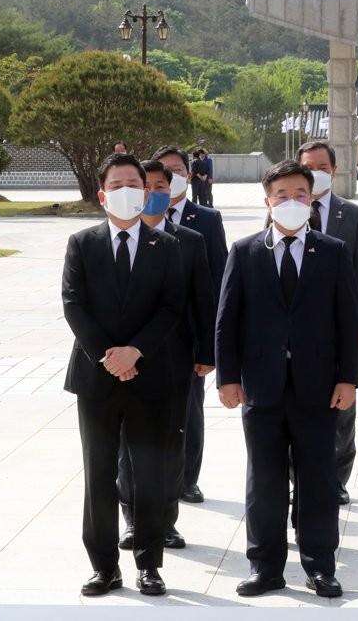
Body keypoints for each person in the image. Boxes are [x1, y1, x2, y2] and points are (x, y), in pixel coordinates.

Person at [216, 160, 358, 598]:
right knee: (265, 480)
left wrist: (348, 379)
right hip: (261, 384)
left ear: (312, 200)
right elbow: (227, 320)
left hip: (318, 387)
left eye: (300, 194)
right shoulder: (244, 251)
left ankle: (320, 565)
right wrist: (227, 377)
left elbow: (346, 319)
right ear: (268, 201)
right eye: (282, 195)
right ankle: (265, 566)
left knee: (319, 479)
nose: (291, 202)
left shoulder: (333, 251)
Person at [62, 153, 184, 596]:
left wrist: (136, 352)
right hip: (96, 379)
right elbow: (73, 304)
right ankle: (104, 566)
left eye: (136, 183)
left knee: (149, 473)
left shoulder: (166, 246)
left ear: (149, 191)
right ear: (102, 194)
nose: (128, 190)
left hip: (149, 376)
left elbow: (172, 306)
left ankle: (149, 564)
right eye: (117, 184)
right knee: (98, 475)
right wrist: (109, 356)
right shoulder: (82, 243)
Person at [116, 160, 215, 553]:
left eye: (161, 185)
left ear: (171, 189)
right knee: (127, 446)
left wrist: (207, 352)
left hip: (176, 359)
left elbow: (203, 300)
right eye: (147, 185)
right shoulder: (120, 237)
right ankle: (131, 519)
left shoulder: (189, 241)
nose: (153, 191)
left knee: (170, 446)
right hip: (128, 361)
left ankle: (165, 522)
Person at [297, 140, 358, 505]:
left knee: (342, 407)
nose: (315, 173)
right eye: (307, 166)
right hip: (298, 328)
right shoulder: (284, 207)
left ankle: (338, 478)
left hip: (340, 325)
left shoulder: (353, 215)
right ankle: (301, 479)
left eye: (321, 167)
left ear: (334, 170)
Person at [153, 145, 228, 504]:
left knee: (190, 412)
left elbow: (218, 280)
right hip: (150, 338)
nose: (173, 175)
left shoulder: (207, 220)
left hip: (190, 334)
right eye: (165, 169)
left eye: (179, 169)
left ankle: (187, 478)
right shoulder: (138, 219)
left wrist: (210, 343)